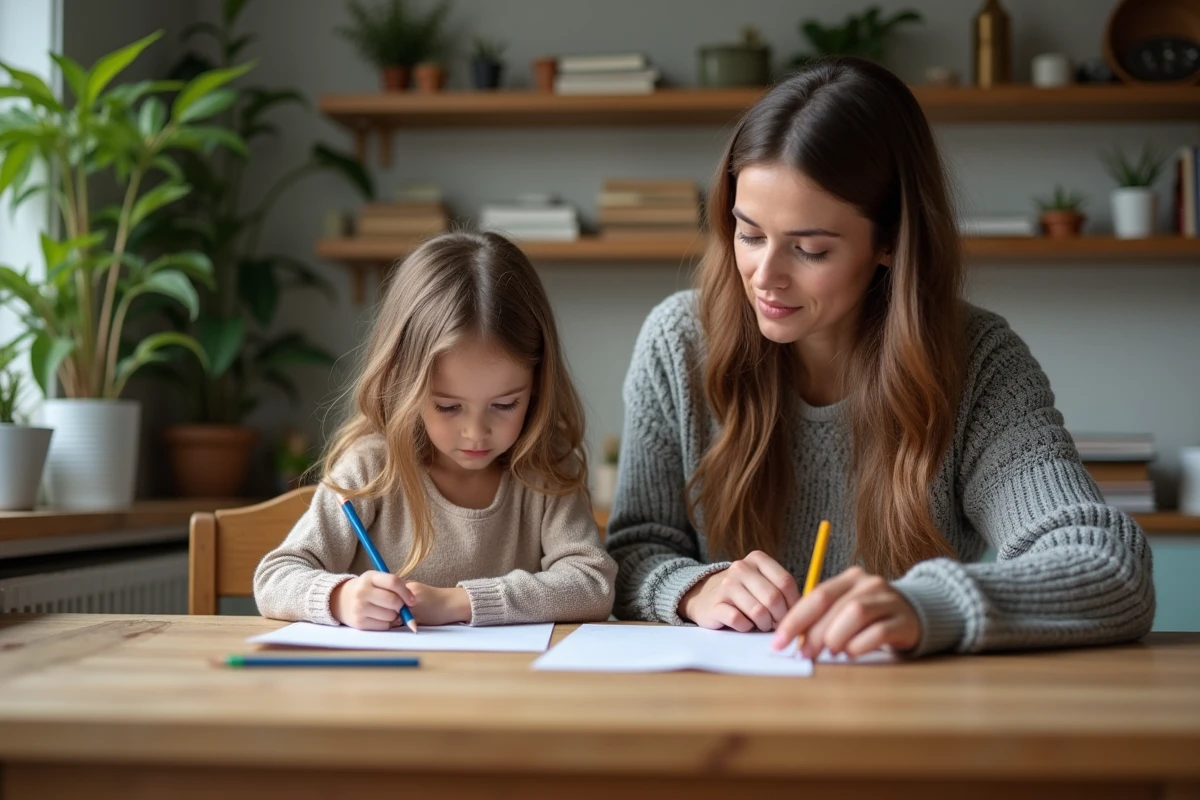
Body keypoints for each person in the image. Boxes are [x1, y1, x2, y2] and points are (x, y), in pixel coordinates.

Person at [606, 57, 1154, 659]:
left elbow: (1109, 568)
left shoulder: (976, 364)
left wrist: (928, 604)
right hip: (723, 719)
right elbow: (633, 551)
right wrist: (693, 587)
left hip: (907, 719)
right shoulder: (679, 341)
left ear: (890, 241)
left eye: (810, 249)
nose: (765, 277)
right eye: (749, 234)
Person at [255, 231, 616, 630]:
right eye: (448, 406)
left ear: (538, 383)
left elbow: (592, 584)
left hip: (506, 686)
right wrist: (340, 598)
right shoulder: (373, 467)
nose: (476, 432)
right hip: (387, 686)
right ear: (401, 382)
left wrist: (460, 602)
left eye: (504, 404)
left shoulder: (544, 470)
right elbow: (275, 578)